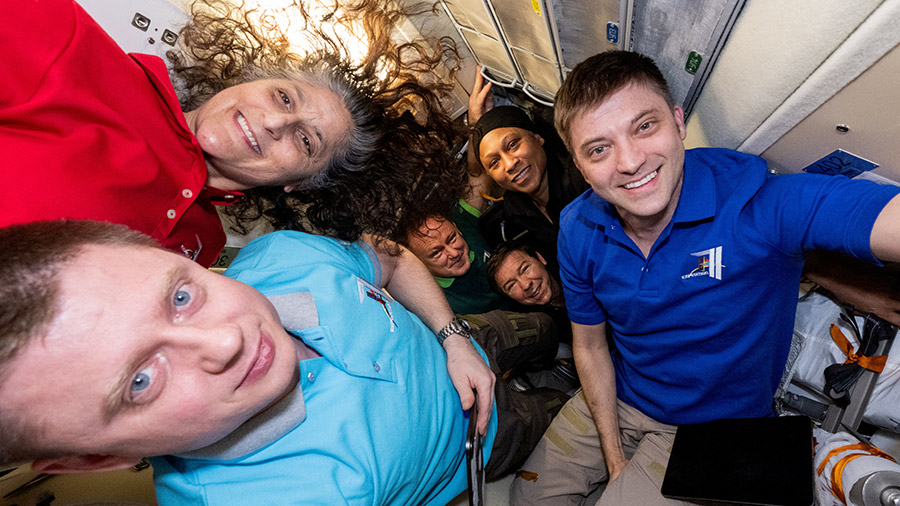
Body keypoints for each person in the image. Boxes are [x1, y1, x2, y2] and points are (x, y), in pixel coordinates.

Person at [510, 50, 900, 506]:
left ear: (678, 122)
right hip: (616, 397)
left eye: (644, 126)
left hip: (705, 434)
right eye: (599, 148)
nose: (630, 161)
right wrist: (615, 456)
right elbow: (590, 344)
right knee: (526, 499)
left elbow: (870, 215)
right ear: (578, 164)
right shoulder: (578, 228)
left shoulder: (755, 206)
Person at [0, 219, 567, 504]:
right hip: (487, 443)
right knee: (571, 409)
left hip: (457, 338)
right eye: (141, 381)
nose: (223, 343)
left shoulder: (281, 255)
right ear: (95, 458)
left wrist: (451, 337)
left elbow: (389, 258)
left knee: (547, 328)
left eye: (180, 297)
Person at [0, 0, 466, 267]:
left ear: (300, 183)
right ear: (250, 77)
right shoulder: (78, 58)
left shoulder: (206, 243)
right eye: (284, 97)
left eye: (306, 141)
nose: (276, 122)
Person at [469, 80, 589, 266]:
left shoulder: (583, 178)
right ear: (493, 179)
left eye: (513, 145)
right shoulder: (514, 216)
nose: (509, 164)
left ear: (537, 137)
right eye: (494, 163)